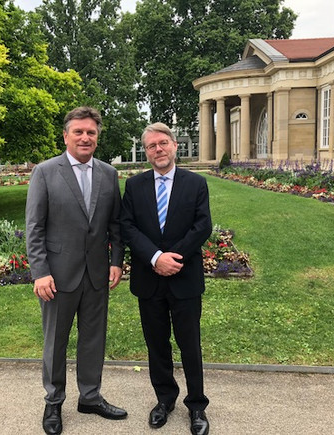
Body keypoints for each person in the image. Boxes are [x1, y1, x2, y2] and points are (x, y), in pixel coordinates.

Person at [25, 106, 127, 435]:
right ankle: (54, 401)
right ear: (66, 135)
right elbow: (34, 228)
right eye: (79, 132)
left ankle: (90, 397)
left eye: (91, 133)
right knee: (55, 341)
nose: (85, 137)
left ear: (97, 137)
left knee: (93, 339)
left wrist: (115, 261)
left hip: (96, 274)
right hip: (57, 275)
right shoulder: (45, 172)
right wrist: (40, 271)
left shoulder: (108, 174)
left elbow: (116, 226)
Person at [121, 122, 212, 435]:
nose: (157, 149)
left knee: (190, 345)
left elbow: (202, 227)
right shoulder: (134, 186)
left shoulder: (196, 183)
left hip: (184, 277)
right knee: (156, 345)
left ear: (175, 145)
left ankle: (197, 406)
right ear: (146, 152)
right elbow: (128, 227)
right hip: (149, 279)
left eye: (162, 143)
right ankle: (164, 399)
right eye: (151, 146)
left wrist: (172, 258)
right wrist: (155, 258)